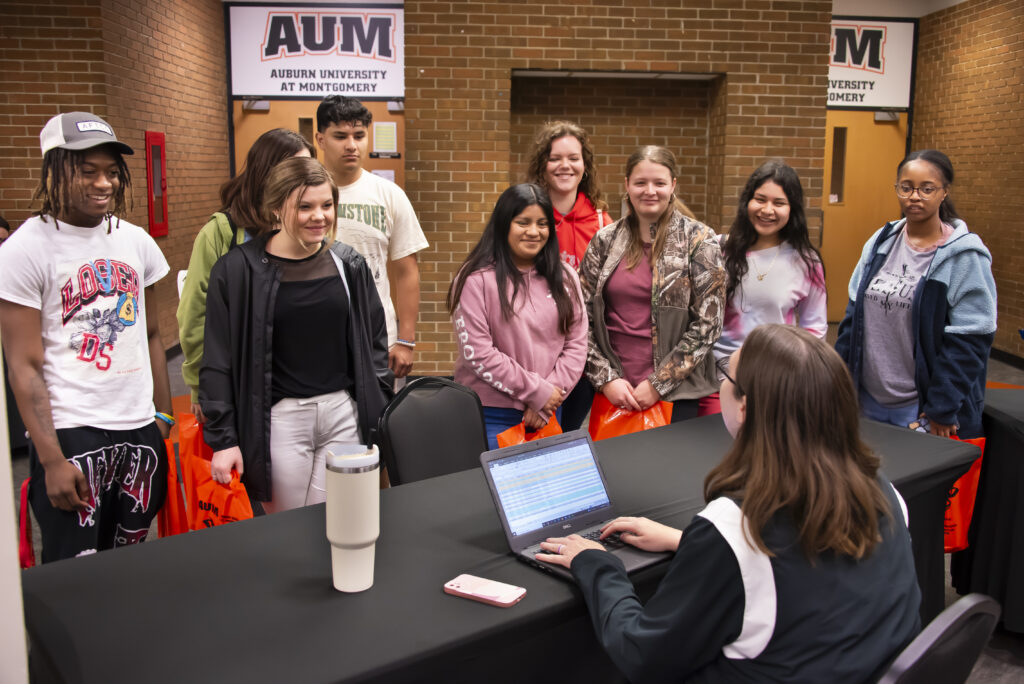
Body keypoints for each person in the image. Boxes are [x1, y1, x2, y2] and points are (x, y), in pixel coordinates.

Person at [537, 324, 921, 682]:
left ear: (745, 407)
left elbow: (642, 654)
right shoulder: (882, 490)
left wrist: (599, 564)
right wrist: (684, 540)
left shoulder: (737, 526)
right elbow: (803, 569)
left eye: (726, 374)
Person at [0, 112, 172, 562]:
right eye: (87, 170)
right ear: (54, 168)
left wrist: (164, 416)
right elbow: (24, 364)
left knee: (131, 557)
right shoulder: (24, 249)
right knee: (74, 568)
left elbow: (151, 333)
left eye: (112, 173)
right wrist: (52, 458)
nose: (105, 183)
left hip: (137, 427)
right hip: (72, 433)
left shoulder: (136, 242)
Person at [200, 157, 392, 513]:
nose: (319, 216)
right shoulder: (237, 271)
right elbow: (217, 361)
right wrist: (224, 439)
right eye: (304, 207)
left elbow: (375, 341)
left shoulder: (349, 263)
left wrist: (376, 404)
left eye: (326, 205)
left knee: (344, 523)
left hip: (343, 414)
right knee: (288, 531)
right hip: (280, 421)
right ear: (276, 208)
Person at [836, 149, 997, 438]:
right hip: (866, 401)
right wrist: (840, 385)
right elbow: (852, 320)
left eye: (927, 188)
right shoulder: (880, 242)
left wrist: (942, 407)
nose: (914, 196)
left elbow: (971, 341)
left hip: (920, 410)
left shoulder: (964, 256)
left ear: (944, 192)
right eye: (906, 187)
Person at [177, 128, 315, 421]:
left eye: (306, 170)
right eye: (291, 169)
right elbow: (195, 315)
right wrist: (202, 385)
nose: (299, 179)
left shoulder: (308, 229)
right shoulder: (222, 232)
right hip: (240, 381)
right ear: (265, 172)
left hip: (298, 383)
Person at [580, 146, 724, 422]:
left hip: (678, 394)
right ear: (627, 185)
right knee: (615, 467)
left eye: (659, 183)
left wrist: (659, 384)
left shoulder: (699, 240)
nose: (650, 191)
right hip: (614, 392)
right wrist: (606, 378)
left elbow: (709, 324)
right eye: (640, 183)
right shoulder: (604, 241)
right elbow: (579, 318)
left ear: (673, 185)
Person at [448, 183, 587, 450]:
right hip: (491, 415)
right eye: (523, 222)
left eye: (542, 224)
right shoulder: (475, 279)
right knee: (494, 492)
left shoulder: (566, 276)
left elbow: (577, 344)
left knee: (548, 490)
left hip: (549, 411)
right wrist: (536, 392)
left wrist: (548, 398)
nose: (534, 232)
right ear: (503, 225)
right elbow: (478, 352)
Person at [316, 95, 428, 386]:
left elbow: (407, 271)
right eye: (340, 136)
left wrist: (406, 339)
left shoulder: (389, 195)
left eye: (359, 135)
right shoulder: (306, 196)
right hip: (317, 336)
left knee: (375, 427)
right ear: (320, 139)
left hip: (378, 338)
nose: (351, 145)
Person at [704, 159, 827, 414]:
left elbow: (814, 328)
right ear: (747, 201)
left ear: (792, 209)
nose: (767, 210)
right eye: (760, 199)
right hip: (713, 383)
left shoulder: (806, 261)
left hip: (775, 382)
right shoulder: (719, 249)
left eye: (779, 203)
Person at [524, 120, 613, 430]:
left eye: (573, 158)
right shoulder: (527, 217)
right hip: (533, 351)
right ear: (542, 165)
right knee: (529, 435)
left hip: (583, 353)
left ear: (585, 165)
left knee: (566, 434)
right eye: (555, 158)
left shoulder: (602, 221)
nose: (565, 166)